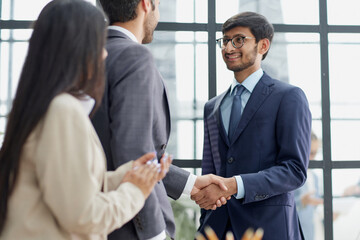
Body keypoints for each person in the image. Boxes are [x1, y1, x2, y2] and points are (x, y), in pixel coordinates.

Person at [0, 0, 172, 239]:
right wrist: (135, 190)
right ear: (78, 48)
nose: (103, 53)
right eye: (96, 43)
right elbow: (84, 216)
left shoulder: (41, 106)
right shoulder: (63, 110)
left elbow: (71, 187)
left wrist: (128, 174)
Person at [91, 0, 227, 239]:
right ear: (146, 4)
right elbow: (135, 153)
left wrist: (191, 183)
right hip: (128, 226)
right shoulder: (133, 56)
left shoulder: (86, 56)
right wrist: (154, 233)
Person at [191, 12, 312, 239]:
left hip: (270, 229)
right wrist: (204, 224)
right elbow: (210, 173)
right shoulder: (212, 107)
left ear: (263, 45)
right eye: (224, 41)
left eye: (238, 40)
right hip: (217, 228)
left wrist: (235, 184)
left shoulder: (289, 97)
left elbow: (294, 171)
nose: (228, 48)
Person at [294, 132, 324, 240]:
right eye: (310, 153)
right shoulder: (292, 175)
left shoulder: (315, 177)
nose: (313, 157)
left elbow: (314, 209)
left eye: (315, 153)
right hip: (295, 231)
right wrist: (301, 201)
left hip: (312, 232)